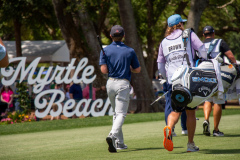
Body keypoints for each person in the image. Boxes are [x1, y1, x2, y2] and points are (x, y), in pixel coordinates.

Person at [157, 14, 206, 152]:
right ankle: (190, 144)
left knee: (176, 110)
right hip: (188, 78)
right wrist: (203, 60)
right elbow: (202, 49)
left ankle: (169, 128)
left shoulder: (164, 42)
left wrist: (166, 78)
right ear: (180, 24)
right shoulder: (188, 34)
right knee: (190, 112)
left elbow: (160, 64)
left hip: (174, 81)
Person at [99, 25, 141, 152]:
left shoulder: (105, 50)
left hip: (110, 83)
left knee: (116, 113)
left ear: (111, 36)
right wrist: (128, 68)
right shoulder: (130, 51)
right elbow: (138, 69)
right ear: (123, 36)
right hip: (123, 84)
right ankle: (112, 135)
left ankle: (119, 143)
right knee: (121, 114)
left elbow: (103, 70)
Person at [202, 26, 238, 137]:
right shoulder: (219, 42)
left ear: (204, 35)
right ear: (213, 33)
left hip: (203, 74)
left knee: (208, 98)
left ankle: (206, 119)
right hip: (218, 74)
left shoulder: (200, 44)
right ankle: (216, 130)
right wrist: (235, 65)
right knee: (218, 100)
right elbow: (230, 56)